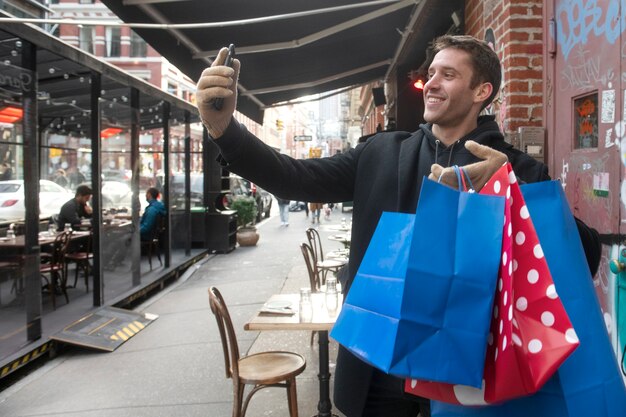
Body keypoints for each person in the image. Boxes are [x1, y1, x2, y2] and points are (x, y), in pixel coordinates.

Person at [196, 35, 601, 417]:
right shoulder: (381, 153)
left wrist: (516, 192)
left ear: (482, 92)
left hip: (472, 374)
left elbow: (585, 253)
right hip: (377, 369)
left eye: (449, 74)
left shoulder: (516, 169)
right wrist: (225, 130)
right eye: (432, 73)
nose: (432, 84)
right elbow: (297, 177)